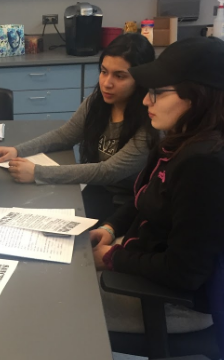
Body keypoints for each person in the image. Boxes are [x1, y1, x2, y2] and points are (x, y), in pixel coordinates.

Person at [91, 36, 224, 333]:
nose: (145, 100)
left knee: (65, 299)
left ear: (198, 96)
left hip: (173, 303)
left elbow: (184, 272)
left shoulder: (204, 165)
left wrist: (114, 258)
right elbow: (145, 200)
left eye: (158, 93)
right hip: (142, 261)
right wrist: (110, 228)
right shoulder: (178, 140)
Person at [0, 33, 158, 219]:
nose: (107, 83)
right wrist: (17, 150)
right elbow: (65, 135)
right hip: (98, 191)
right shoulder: (97, 103)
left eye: (120, 76)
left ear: (141, 79)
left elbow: (108, 172)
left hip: (128, 206)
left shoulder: (150, 122)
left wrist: (38, 172)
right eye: (103, 71)